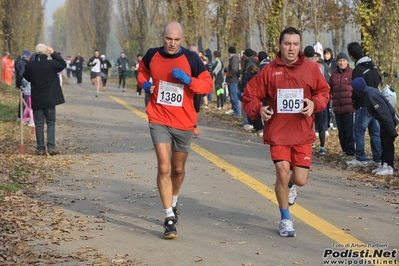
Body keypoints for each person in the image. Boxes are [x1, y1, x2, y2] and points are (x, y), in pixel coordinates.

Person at [242, 27, 330, 237]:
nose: (291, 48)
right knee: (282, 172)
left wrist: (313, 103)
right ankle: (285, 219)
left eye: (295, 44)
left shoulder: (310, 68)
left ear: (300, 46)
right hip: (279, 133)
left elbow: (324, 92)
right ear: (280, 45)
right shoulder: (270, 71)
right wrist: (259, 109)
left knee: (300, 179)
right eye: (287, 44)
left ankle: (290, 185)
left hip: (302, 133)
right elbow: (249, 96)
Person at [137, 21, 213, 239]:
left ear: (182, 39)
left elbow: (207, 85)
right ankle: (169, 216)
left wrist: (189, 80)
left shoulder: (191, 59)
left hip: (184, 122)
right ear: (163, 37)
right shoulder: (152, 55)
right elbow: (141, 72)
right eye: (168, 39)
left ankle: (175, 199)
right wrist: (144, 84)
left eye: (176, 39)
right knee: (163, 167)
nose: (172, 43)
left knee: (177, 169)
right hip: (158, 117)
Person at [23, 44, 66, 156]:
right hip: (51, 99)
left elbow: (26, 78)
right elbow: (63, 64)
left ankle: (40, 148)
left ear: (36, 53)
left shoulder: (30, 66)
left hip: (37, 99)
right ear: (46, 52)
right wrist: (53, 53)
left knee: (39, 124)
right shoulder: (52, 64)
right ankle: (51, 147)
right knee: (51, 123)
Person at [351, 77, 397, 175]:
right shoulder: (368, 92)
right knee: (383, 143)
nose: (353, 91)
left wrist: (391, 131)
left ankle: (389, 167)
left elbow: (384, 113)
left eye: (354, 88)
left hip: (387, 122)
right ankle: (384, 164)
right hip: (383, 122)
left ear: (358, 88)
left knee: (388, 145)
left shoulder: (370, 94)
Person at [346, 42, 382, 166]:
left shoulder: (358, 70)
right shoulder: (373, 67)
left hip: (363, 104)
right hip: (375, 103)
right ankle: (378, 158)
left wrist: (355, 103)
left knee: (359, 131)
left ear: (351, 56)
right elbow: (378, 81)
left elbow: (356, 89)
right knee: (375, 131)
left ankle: (361, 157)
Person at [329, 52, 355, 157]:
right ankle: (344, 150)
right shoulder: (333, 75)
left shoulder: (351, 73)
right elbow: (329, 88)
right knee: (341, 131)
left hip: (349, 107)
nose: (342, 62)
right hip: (337, 107)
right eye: (340, 60)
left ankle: (350, 151)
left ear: (347, 62)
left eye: (344, 60)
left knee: (349, 131)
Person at [303, 45, 327, 155]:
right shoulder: (320, 66)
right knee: (320, 122)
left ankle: (310, 143)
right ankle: (322, 146)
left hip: (306, 98)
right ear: (314, 55)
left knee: (308, 122)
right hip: (318, 97)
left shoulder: (302, 65)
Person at [189, 45, 205, 138]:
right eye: (192, 52)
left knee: (196, 108)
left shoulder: (201, 62)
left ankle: (194, 127)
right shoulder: (185, 60)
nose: (194, 54)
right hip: (186, 88)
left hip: (197, 88)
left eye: (195, 52)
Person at [225, 46, 240, 116]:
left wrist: (228, 75)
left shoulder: (234, 59)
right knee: (232, 95)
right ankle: (234, 109)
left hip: (233, 80)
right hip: (231, 80)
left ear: (229, 52)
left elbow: (234, 69)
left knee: (234, 96)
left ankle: (237, 111)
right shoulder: (232, 59)